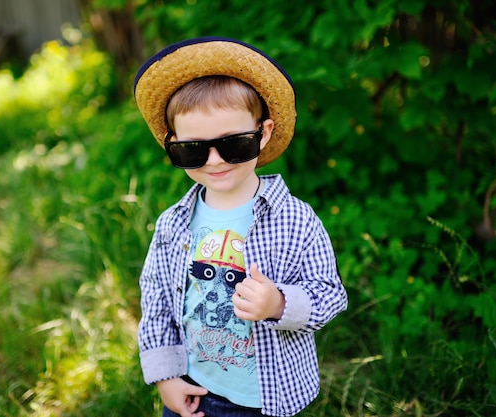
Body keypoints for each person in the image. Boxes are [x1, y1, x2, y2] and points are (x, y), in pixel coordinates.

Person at [133, 37, 348, 417]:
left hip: (267, 398)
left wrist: (279, 303)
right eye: (194, 150)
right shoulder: (172, 224)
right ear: (172, 144)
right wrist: (165, 376)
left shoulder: (295, 219)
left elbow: (330, 294)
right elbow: (156, 301)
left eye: (234, 144)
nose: (215, 161)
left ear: (263, 133)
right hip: (194, 388)